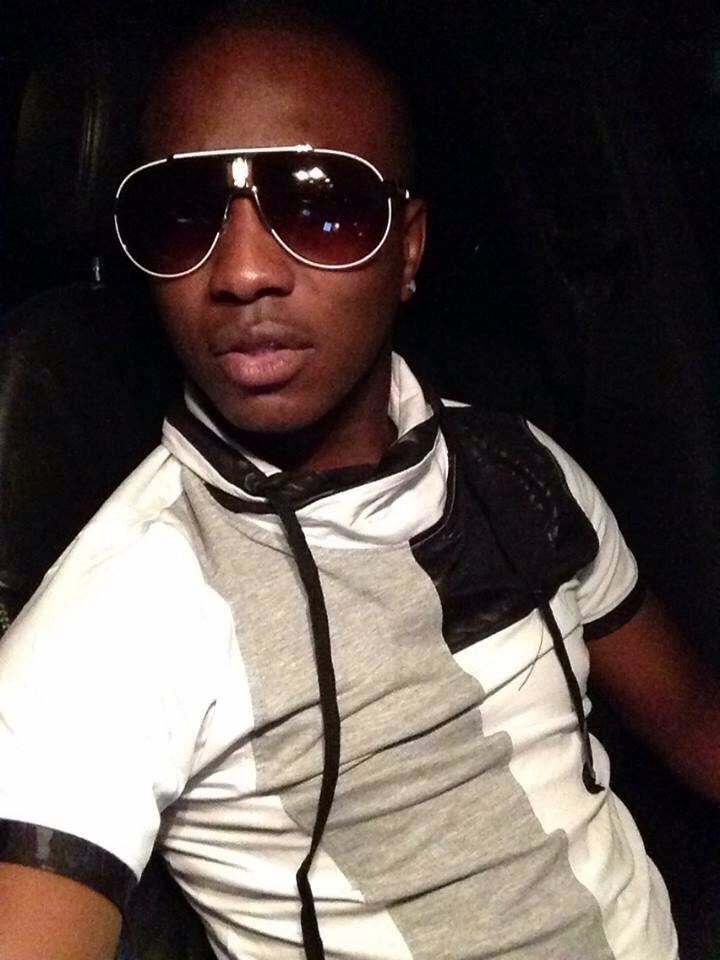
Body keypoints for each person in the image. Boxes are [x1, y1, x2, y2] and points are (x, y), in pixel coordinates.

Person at [0, 5, 718, 959]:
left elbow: (694, 723)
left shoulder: (520, 470)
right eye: (182, 216)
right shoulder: (117, 616)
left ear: (407, 246)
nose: (242, 271)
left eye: (320, 206)